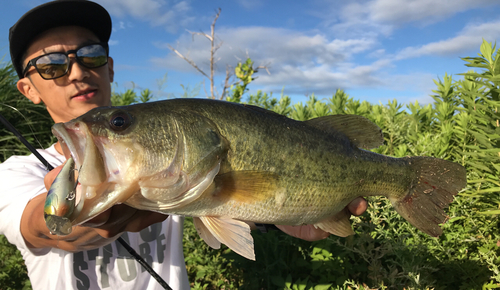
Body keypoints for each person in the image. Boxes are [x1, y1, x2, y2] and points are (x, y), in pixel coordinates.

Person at [0, 1, 368, 289]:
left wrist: (283, 217)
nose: (77, 71)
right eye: (51, 66)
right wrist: (62, 217)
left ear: (109, 68)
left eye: (91, 54)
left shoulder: (174, 176)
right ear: (27, 89)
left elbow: (223, 199)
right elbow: (35, 226)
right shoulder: (17, 172)